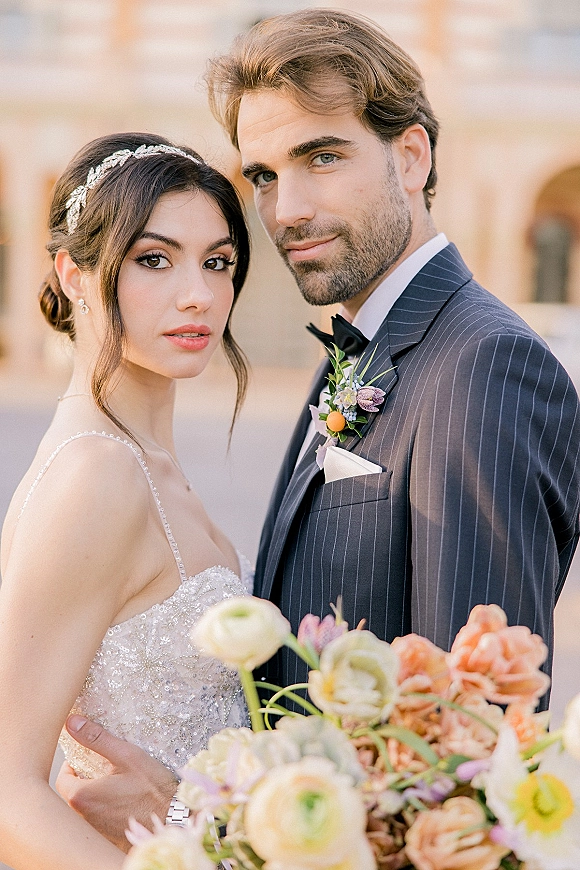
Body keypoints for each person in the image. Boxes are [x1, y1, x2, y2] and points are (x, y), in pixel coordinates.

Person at [55, 6, 580, 849]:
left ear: (411, 157)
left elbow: (467, 778)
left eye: (321, 157)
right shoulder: (359, 346)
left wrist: (193, 818)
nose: (286, 208)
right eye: (262, 175)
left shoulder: (482, 369)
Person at [0, 131, 253, 869]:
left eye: (218, 262)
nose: (197, 294)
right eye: (154, 259)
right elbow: (9, 791)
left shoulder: (148, 463)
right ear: (73, 274)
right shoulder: (97, 476)